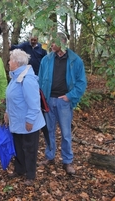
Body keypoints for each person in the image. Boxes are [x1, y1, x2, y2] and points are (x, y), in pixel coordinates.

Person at [37, 32, 87, 174]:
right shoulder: (46, 60)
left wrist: (70, 96)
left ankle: (67, 161)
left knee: (65, 133)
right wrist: (42, 99)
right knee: (49, 131)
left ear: (63, 42)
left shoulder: (75, 60)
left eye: (54, 42)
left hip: (63, 102)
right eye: (51, 42)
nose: (51, 45)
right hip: (48, 101)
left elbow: (81, 83)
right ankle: (49, 156)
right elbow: (40, 81)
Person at [4, 49, 45, 186]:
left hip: (28, 122)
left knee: (29, 149)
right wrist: (7, 113)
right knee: (19, 147)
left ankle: (30, 175)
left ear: (16, 62)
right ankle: (19, 170)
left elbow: (34, 103)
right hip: (16, 120)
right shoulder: (15, 77)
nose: (9, 62)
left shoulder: (27, 80)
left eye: (10, 60)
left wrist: (30, 120)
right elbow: (11, 98)